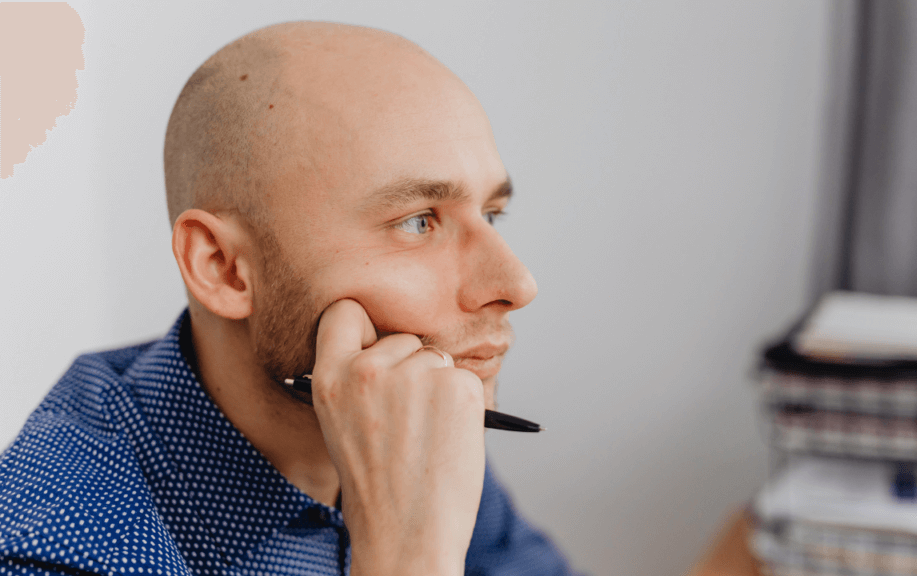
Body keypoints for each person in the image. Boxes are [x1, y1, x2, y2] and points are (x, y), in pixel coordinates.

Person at [0, 21, 579, 576]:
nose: (516, 284)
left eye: (491, 214)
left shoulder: (401, 410)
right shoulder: (56, 547)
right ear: (224, 268)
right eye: (417, 222)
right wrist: (408, 558)